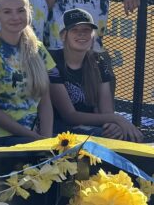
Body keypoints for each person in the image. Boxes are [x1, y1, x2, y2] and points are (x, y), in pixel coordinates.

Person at [0, 0, 54, 147]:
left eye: (20, 11)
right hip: (1, 137)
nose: (15, 17)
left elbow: (45, 102)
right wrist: (37, 140)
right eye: (7, 12)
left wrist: (48, 141)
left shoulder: (38, 48)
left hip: (35, 136)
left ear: (29, 12)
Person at [48, 8, 143, 141]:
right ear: (64, 35)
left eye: (86, 30)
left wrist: (111, 126)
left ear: (93, 36)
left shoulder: (99, 61)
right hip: (59, 130)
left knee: (128, 135)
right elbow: (69, 115)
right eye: (75, 30)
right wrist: (116, 118)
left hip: (91, 128)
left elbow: (106, 111)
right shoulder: (52, 61)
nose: (81, 34)